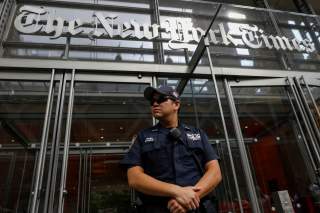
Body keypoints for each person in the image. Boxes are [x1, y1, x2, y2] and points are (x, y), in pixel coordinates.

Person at [121, 86, 222, 213]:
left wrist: (190, 198)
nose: (155, 104)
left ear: (176, 104)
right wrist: (178, 192)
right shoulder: (143, 136)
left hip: (197, 208)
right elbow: (134, 178)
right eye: (152, 102)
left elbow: (215, 172)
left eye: (161, 99)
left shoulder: (198, 134)